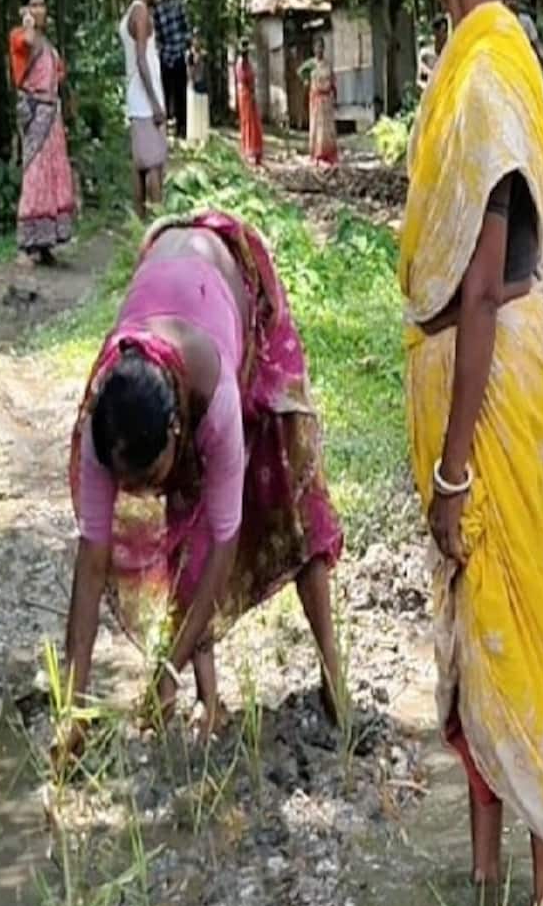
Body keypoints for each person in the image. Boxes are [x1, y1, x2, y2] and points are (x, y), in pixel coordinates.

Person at [399, 0, 543, 906]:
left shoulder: (483, 81)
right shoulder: (491, 55)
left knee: (518, 618)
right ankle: (481, 886)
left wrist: (456, 471)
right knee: (476, 632)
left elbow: (476, 290)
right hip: (472, 381)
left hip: (485, 389)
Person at [56, 210, 347, 761]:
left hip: (237, 288)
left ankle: (333, 672)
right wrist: (73, 702)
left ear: (176, 429)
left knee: (293, 497)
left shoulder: (214, 395)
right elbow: (91, 562)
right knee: (178, 519)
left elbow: (222, 540)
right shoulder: (106, 418)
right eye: (128, 482)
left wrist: (168, 663)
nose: (138, 491)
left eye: (146, 477)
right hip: (170, 266)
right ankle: (206, 700)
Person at [10, 0, 76, 265]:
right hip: (35, 112)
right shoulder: (19, 36)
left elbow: (59, 76)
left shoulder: (48, 45)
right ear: (24, 9)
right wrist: (27, 26)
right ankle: (28, 243)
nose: (39, 10)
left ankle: (47, 241)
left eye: (42, 5)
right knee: (35, 173)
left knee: (53, 174)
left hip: (52, 113)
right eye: (33, 5)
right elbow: (24, 45)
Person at [122, 0, 169, 215]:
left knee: (140, 165)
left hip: (135, 97)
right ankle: (156, 221)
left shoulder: (130, 11)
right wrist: (155, 103)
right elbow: (142, 59)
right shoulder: (140, 13)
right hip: (144, 99)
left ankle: (140, 224)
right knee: (153, 165)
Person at [153, 0, 193, 143]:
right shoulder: (168, 6)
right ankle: (177, 127)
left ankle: (178, 127)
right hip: (172, 54)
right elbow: (186, 28)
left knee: (172, 92)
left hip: (170, 55)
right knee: (175, 92)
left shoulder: (164, 7)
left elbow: (159, 36)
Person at [306, 37, 339, 168]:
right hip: (316, 99)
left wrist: (334, 97)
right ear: (314, 49)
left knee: (327, 128)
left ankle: (328, 154)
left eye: (321, 47)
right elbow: (306, 80)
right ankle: (317, 154)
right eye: (317, 47)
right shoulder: (310, 65)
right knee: (316, 127)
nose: (319, 50)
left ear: (324, 49)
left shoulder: (327, 64)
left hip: (327, 100)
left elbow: (333, 82)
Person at [234, 41, 264, 167]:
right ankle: (248, 150)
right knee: (247, 121)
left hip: (250, 94)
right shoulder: (240, 64)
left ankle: (256, 150)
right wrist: (250, 93)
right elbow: (244, 80)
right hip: (245, 94)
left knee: (254, 121)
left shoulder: (249, 63)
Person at [187, 39, 211, 147]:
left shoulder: (204, 55)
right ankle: (193, 137)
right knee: (193, 113)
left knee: (203, 113)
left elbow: (206, 71)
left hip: (203, 86)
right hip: (194, 86)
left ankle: (203, 137)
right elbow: (189, 70)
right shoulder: (190, 55)